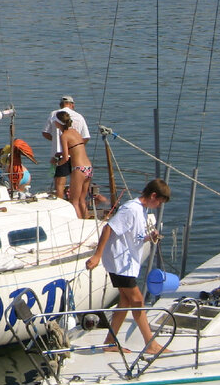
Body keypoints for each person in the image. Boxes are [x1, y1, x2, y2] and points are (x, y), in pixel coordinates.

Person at [86, 178, 171, 355]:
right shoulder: (131, 209)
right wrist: (97, 255)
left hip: (127, 263)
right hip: (119, 263)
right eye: (159, 202)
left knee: (125, 301)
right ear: (153, 195)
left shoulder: (143, 210)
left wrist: (149, 237)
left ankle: (110, 342)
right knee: (138, 301)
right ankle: (151, 344)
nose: (159, 206)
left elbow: (134, 236)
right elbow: (108, 228)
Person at [43, 95, 90, 201]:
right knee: (78, 189)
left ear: (60, 105)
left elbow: (45, 133)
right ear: (72, 105)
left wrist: (55, 140)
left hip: (58, 155)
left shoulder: (53, 114)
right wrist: (75, 147)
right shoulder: (79, 116)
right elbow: (86, 137)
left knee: (59, 184)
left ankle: (60, 205)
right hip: (78, 158)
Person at [54, 111, 93, 217]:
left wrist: (57, 164)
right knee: (82, 200)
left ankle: (78, 224)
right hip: (88, 167)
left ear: (58, 123)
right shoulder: (75, 132)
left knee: (73, 201)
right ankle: (87, 220)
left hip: (79, 168)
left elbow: (66, 158)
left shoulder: (64, 136)